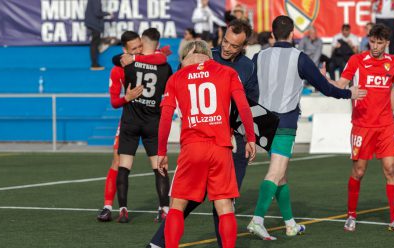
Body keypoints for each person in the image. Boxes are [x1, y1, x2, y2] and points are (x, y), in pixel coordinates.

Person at [247, 15, 366, 240]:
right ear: (293, 34)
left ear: (272, 35)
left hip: (262, 123)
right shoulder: (298, 57)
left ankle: (290, 224)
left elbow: (248, 88)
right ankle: (258, 219)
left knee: (280, 176)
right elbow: (324, 87)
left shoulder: (258, 56)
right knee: (275, 172)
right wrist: (348, 93)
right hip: (284, 123)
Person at [147, 19, 259, 248]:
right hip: (221, 146)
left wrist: (161, 152)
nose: (227, 48)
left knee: (177, 205)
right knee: (225, 206)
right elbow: (245, 106)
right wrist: (251, 138)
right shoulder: (227, 72)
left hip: (193, 146)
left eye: (233, 45)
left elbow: (166, 117)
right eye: (225, 42)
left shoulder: (177, 77)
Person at [329, 23, 394, 232]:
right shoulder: (356, 60)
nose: (375, 46)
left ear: (387, 43)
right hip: (362, 126)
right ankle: (351, 215)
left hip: (385, 125)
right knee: (359, 171)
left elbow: (390, 89)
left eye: (379, 43)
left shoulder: (392, 62)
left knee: (391, 169)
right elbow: (341, 84)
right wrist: (324, 80)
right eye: (372, 41)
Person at [96, 31, 172, 222]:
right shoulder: (120, 68)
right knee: (117, 161)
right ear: (125, 51)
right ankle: (107, 206)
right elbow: (114, 102)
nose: (138, 50)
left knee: (125, 164)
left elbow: (159, 53)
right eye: (134, 49)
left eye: (140, 46)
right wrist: (126, 98)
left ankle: (125, 208)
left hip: (135, 120)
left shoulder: (136, 61)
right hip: (135, 119)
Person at [84, 0, 111, 70]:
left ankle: (94, 64)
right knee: (94, 44)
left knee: (94, 43)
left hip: (92, 24)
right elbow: (97, 13)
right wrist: (108, 13)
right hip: (95, 25)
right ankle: (94, 64)